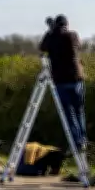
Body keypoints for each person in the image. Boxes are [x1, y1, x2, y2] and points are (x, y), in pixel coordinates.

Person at [39, 14, 86, 151]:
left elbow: (42, 47)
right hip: (76, 79)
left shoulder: (52, 38)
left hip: (60, 81)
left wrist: (50, 31)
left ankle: (77, 141)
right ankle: (82, 139)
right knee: (79, 111)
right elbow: (78, 45)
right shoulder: (72, 35)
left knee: (69, 113)